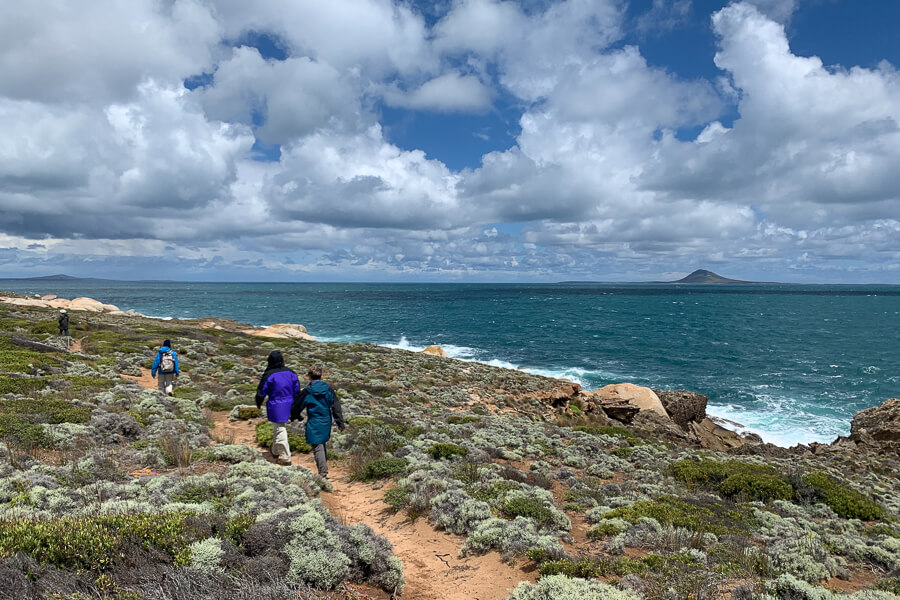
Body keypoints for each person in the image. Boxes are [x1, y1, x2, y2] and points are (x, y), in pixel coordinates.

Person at [291, 365, 345, 478]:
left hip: (314, 421)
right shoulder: (328, 389)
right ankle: (323, 469)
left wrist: (296, 416)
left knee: (317, 446)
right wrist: (340, 422)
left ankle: (322, 473)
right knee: (321, 444)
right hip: (326, 420)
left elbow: (296, 406)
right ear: (321, 376)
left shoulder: (307, 391)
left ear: (309, 376)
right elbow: (336, 406)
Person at [255, 350, 300, 465]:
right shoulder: (291, 372)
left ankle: (285, 456)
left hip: (276, 404)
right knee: (278, 426)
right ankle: (275, 450)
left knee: (280, 428)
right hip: (290, 403)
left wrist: (258, 402)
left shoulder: (269, 374)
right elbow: (297, 389)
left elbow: (261, 390)